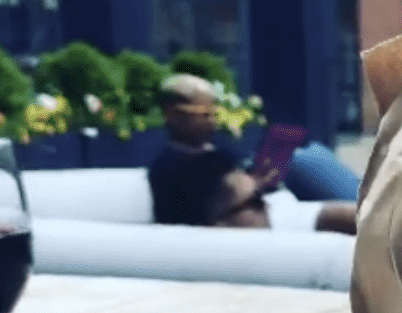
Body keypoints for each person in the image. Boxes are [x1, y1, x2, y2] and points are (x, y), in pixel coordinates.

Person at [147, 74, 358, 233]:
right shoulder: (170, 166)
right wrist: (249, 187)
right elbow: (202, 210)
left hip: (278, 207)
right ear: (172, 115)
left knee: (311, 153)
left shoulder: (214, 149)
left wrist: (258, 180)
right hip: (269, 220)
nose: (211, 121)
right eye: (202, 114)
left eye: (214, 113)